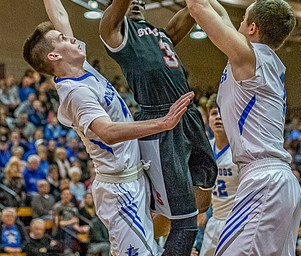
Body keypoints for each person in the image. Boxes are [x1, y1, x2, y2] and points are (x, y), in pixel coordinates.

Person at [23, 0, 194, 254]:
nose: (72, 39)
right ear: (54, 56)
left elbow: (59, 13)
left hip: (134, 176)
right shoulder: (76, 92)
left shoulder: (80, 68)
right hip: (120, 189)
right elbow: (108, 132)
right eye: (62, 38)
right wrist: (163, 123)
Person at [99, 0, 217, 254]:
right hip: (160, 121)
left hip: (188, 114)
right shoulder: (115, 32)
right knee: (186, 224)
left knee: (204, 191)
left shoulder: (159, 33)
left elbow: (193, 8)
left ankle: (149, 236)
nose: (138, 2)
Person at [185, 0, 301, 255]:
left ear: (251, 28)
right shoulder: (258, 60)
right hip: (274, 180)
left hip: (264, 181)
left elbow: (198, 8)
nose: (234, 25)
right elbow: (220, 13)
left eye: (242, 20)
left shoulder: (249, 57)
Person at [199, 94, 239, 256]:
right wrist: (200, 211)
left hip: (236, 220)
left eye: (222, 113)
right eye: (214, 113)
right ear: (209, 119)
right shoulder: (206, 149)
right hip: (215, 218)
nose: (218, 118)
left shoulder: (239, 151)